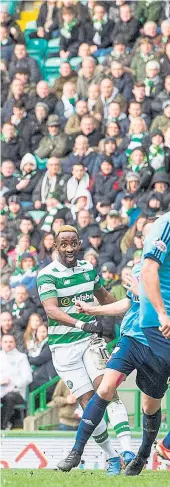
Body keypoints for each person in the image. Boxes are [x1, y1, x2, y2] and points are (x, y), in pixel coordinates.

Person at [58, 219, 169, 474]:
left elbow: (151, 298)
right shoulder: (142, 267)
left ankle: (142, 456)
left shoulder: (160, 270)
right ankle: (76, 451)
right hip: (131, 339)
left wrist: (145, 295)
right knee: (106, 387)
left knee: (149, 406)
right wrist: (93, 309)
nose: (149, 240)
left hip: (158, 345)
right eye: (145, 236)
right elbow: (127, 304)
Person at [37, 225, 134, 475]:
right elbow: (51, 310)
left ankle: (128, 451)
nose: (70, 249)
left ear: (79, 243)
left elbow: (104, 297)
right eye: (64, 244)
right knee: (88, 403)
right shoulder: (47, 275)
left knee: (107, 389)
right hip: (63, 349)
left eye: (74, 243)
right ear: (56, 246)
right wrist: (82, 323)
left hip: (90, 342)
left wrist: (130, 311)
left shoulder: (88, 269)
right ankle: (112, 457)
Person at [125, 211, 170, 475]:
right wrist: (163, 313)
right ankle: (152, 450)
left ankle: (157, 449)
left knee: (150, 402)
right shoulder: (165, 226)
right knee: (149, 403)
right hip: (158, 324)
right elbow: (149, 268)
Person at [0, 334, 32, 429]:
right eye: (5, 342)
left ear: (15, 343)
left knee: (9, 397)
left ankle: (3, 426)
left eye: (11, 342)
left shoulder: (21, 357)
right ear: (1, 343)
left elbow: (28, 378)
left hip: (16, 392)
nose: (8, 344)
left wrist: (13, 384)